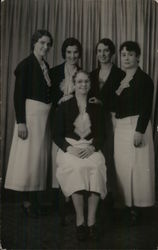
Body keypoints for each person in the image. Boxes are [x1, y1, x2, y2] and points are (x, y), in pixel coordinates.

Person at [53, 70, 107, 240]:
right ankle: (80, 221)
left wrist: (93, 147)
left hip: (90, 147)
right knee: (75, 168)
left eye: (86, 82)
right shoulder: (64, 106)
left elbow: (102, 134)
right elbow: (56, 134)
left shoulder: (96, 107)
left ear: (90, 85)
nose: (83, 85)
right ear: (74, 84)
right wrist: (69, 148)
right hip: (70, 147)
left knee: (97, 166)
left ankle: (91, 222)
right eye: (80, 82)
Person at [4, 30, 53, 217]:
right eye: (42, 43)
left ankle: (34, 200)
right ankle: (26, 202)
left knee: (37, 160)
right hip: (30, 118)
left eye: (48, 44)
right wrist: (21, 123)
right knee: (27, 160)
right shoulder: (26, 65)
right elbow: (19, 96)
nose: (45, 47)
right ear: (34, 43)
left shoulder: (45, 65)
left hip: (43, 119)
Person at [114, 41, 155, 225]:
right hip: (121, 127)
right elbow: (113, 105)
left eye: (130, 54)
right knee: (122, 168)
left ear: (138, 57)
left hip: (138, 126)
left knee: (138, 168)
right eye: (123, 54)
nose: (126, 58)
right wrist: (119, 90)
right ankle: (125, 206)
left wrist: (139, 131)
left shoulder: (145, 79)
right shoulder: (118, 79)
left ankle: (138, 208)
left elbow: (146, 108)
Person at [89, 38, 124, 202]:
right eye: (99, 51)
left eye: (106, 51)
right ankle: (100, 194)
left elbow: (123, 101)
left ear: (112, 53)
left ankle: (113, 196)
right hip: (96, 122)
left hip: (113, 120)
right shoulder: (91, 75)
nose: (102, 54)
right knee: (99, 157)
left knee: (113, 157)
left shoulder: (120, 74)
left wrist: (103, 103)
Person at [49, 37, 82, 189]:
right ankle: (58, 194)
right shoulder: (54, 72)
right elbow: (49, 96)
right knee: (57, 154)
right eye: (69, 52)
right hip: (57, 117)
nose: (72, 56)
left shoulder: (83, 74)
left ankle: (72, 192)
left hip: (75, 121)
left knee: (72, 156)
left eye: (75, 52)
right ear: (64, 53)